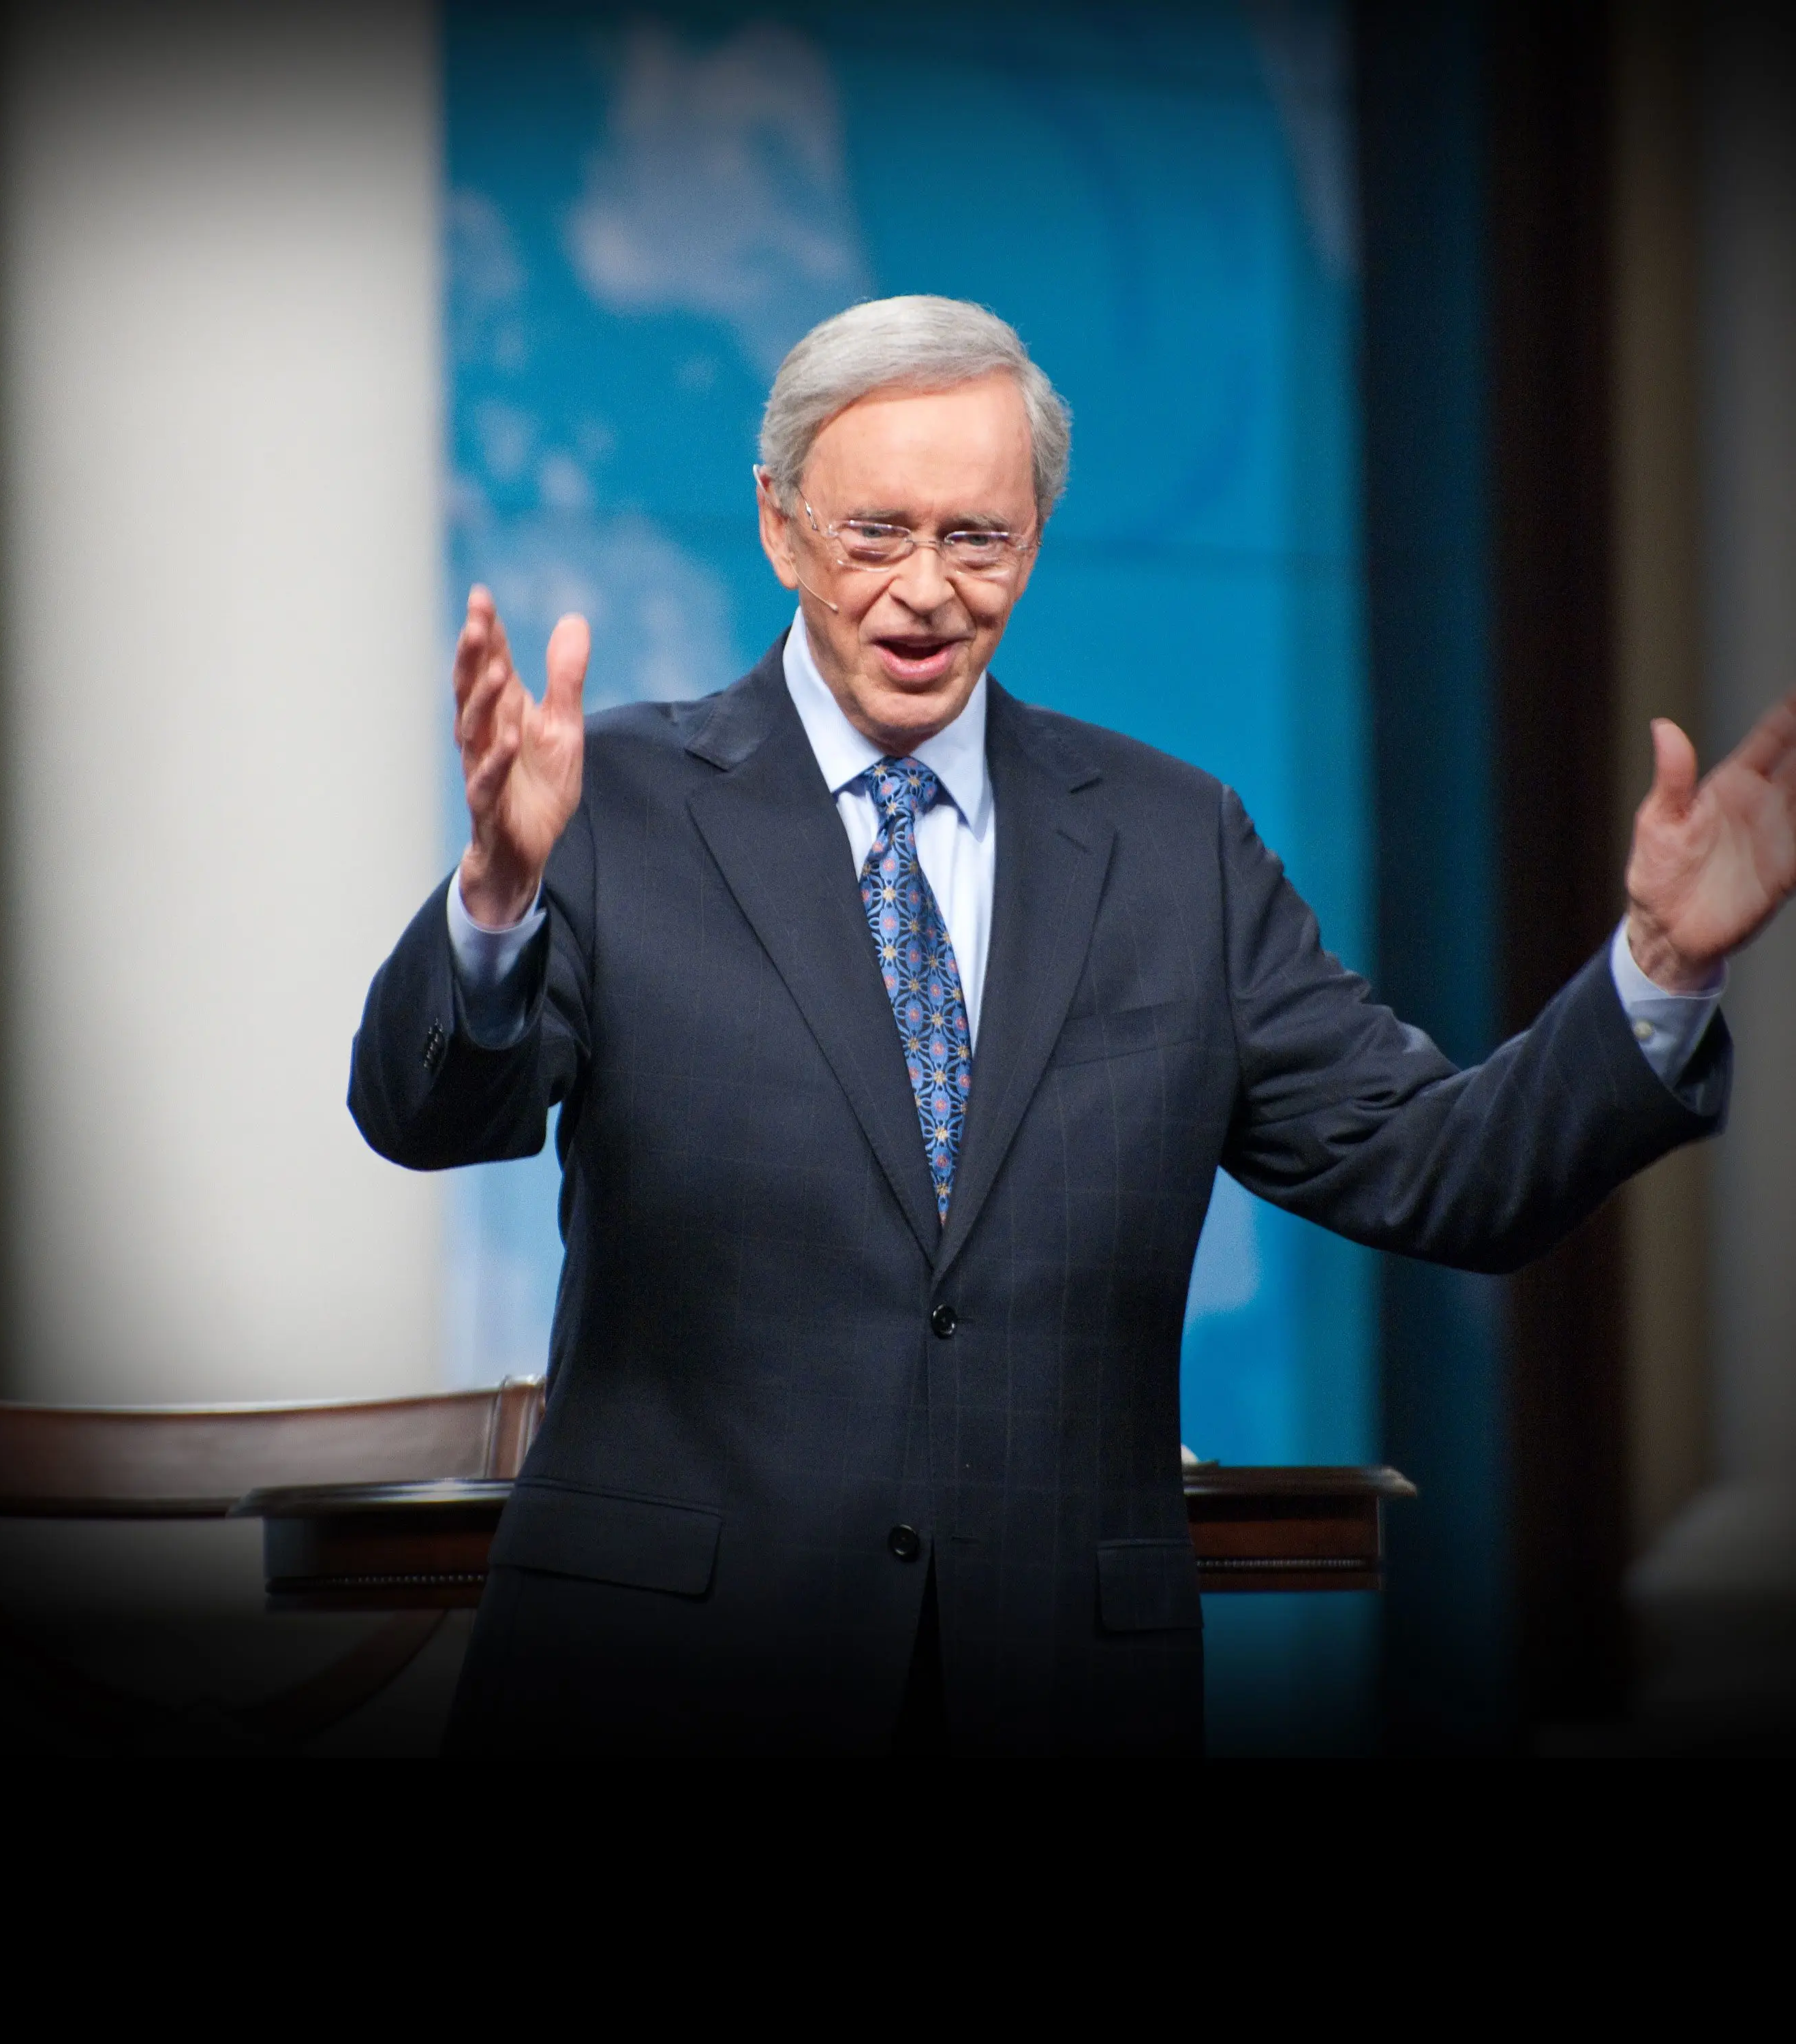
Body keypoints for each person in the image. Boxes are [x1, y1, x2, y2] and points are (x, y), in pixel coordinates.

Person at [350, 295, 1796, 1755]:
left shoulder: (1175, 847)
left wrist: (1660, 965)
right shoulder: (611, 805)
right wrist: (495, 898)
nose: (926, 590)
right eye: (875, 534)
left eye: (976, 538)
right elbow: (429, 1117)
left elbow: (1448, 1170)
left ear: (1035, 539)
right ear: (780, 527)